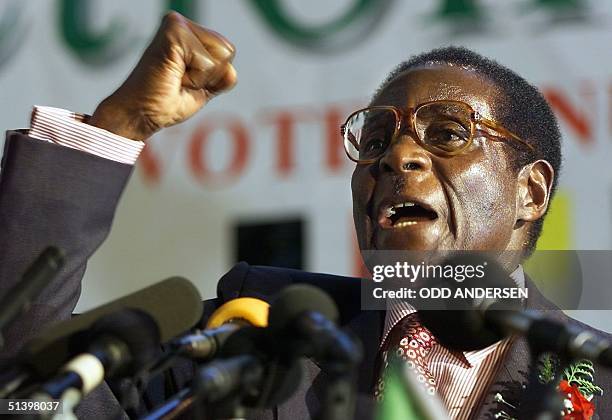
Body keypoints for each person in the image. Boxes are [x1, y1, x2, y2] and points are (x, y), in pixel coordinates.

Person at [0, 11, 610, 419]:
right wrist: (121, 124)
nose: (398, 156)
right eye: (375, 141)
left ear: (531, 193)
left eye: (448, 133)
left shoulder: (601, 384)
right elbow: (26, 377)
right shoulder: (252, 340)